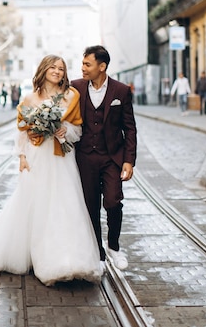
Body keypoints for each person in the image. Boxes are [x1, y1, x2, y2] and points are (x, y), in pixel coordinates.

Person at [0, 55, 102, 286]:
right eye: (53, 67)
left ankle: (71, 259)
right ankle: (39, 256)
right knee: (36, 203)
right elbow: (22, 131)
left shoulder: (71, 95)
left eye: (61, 68)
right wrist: (22, 156)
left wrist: (64, 131)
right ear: (44, 69)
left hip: (61, 158)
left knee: (65, 203)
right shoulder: (30, 98)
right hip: (37, 157)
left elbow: (78, 129)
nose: (57, 71)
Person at [71, 45, 137, 272]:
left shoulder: (121, 91)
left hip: (111, 157)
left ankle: (114, 247)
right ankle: (98, 252)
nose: (83, 68)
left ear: (102, 66)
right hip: (85, 157)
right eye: (82, 64)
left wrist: (129, 160)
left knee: (112, 201)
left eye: (87, 64)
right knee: (90, 206)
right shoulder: (75, 87)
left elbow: (130, 128)